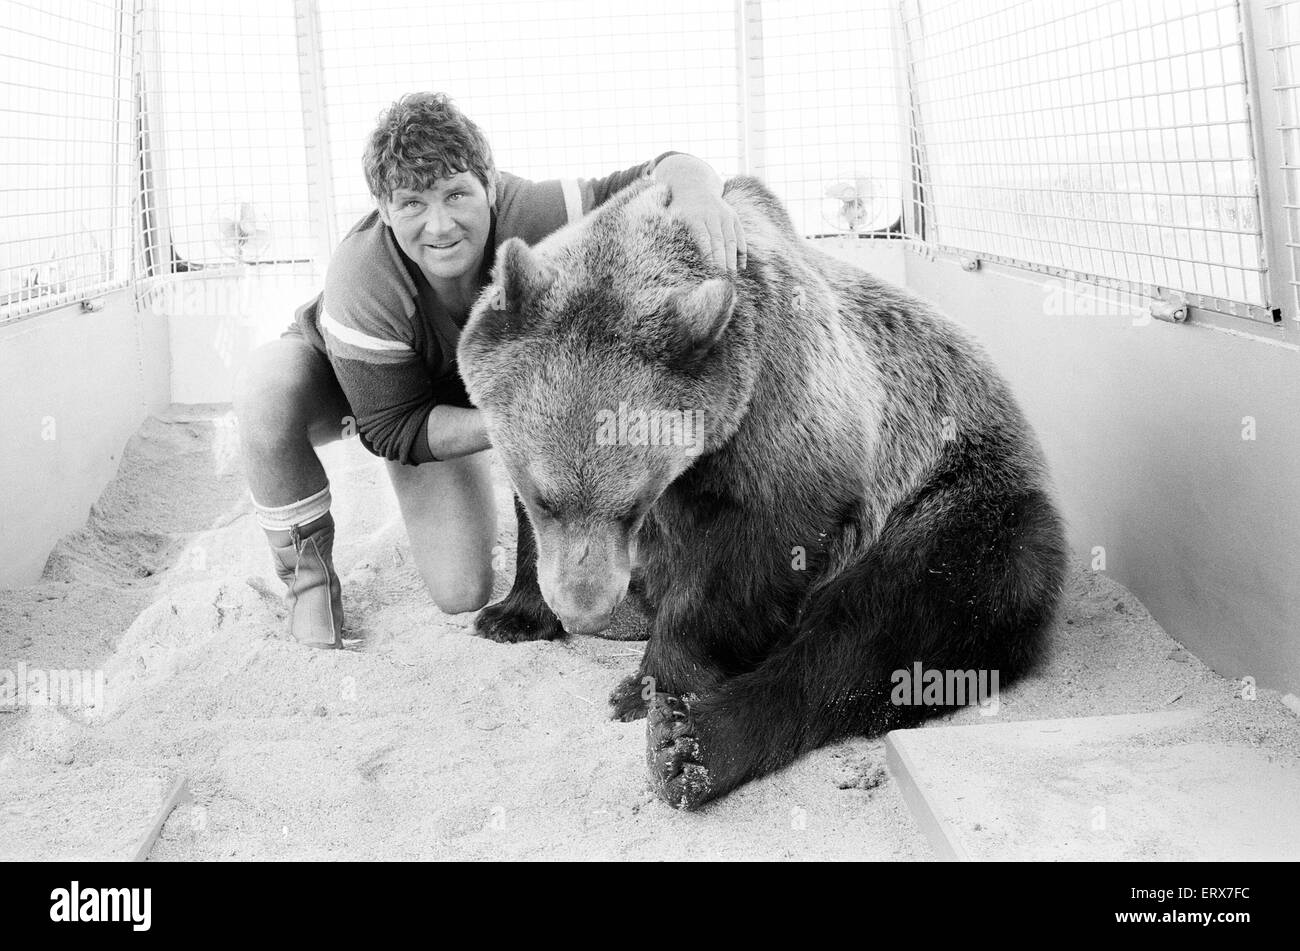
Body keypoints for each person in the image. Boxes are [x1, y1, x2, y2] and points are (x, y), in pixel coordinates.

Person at [233, 91, 747, 647]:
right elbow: (388, 428)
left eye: (457, 194)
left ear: (490, 185)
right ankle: (309, 585)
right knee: (264, 390)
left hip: (464, 399)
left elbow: (662, 169)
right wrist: (536, 426)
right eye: (411, 204)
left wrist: (698, 193)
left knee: (460, 590)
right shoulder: (363, 278)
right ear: (384, 210)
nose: (440, 225)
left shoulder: (535, 215)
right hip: (384, 398)